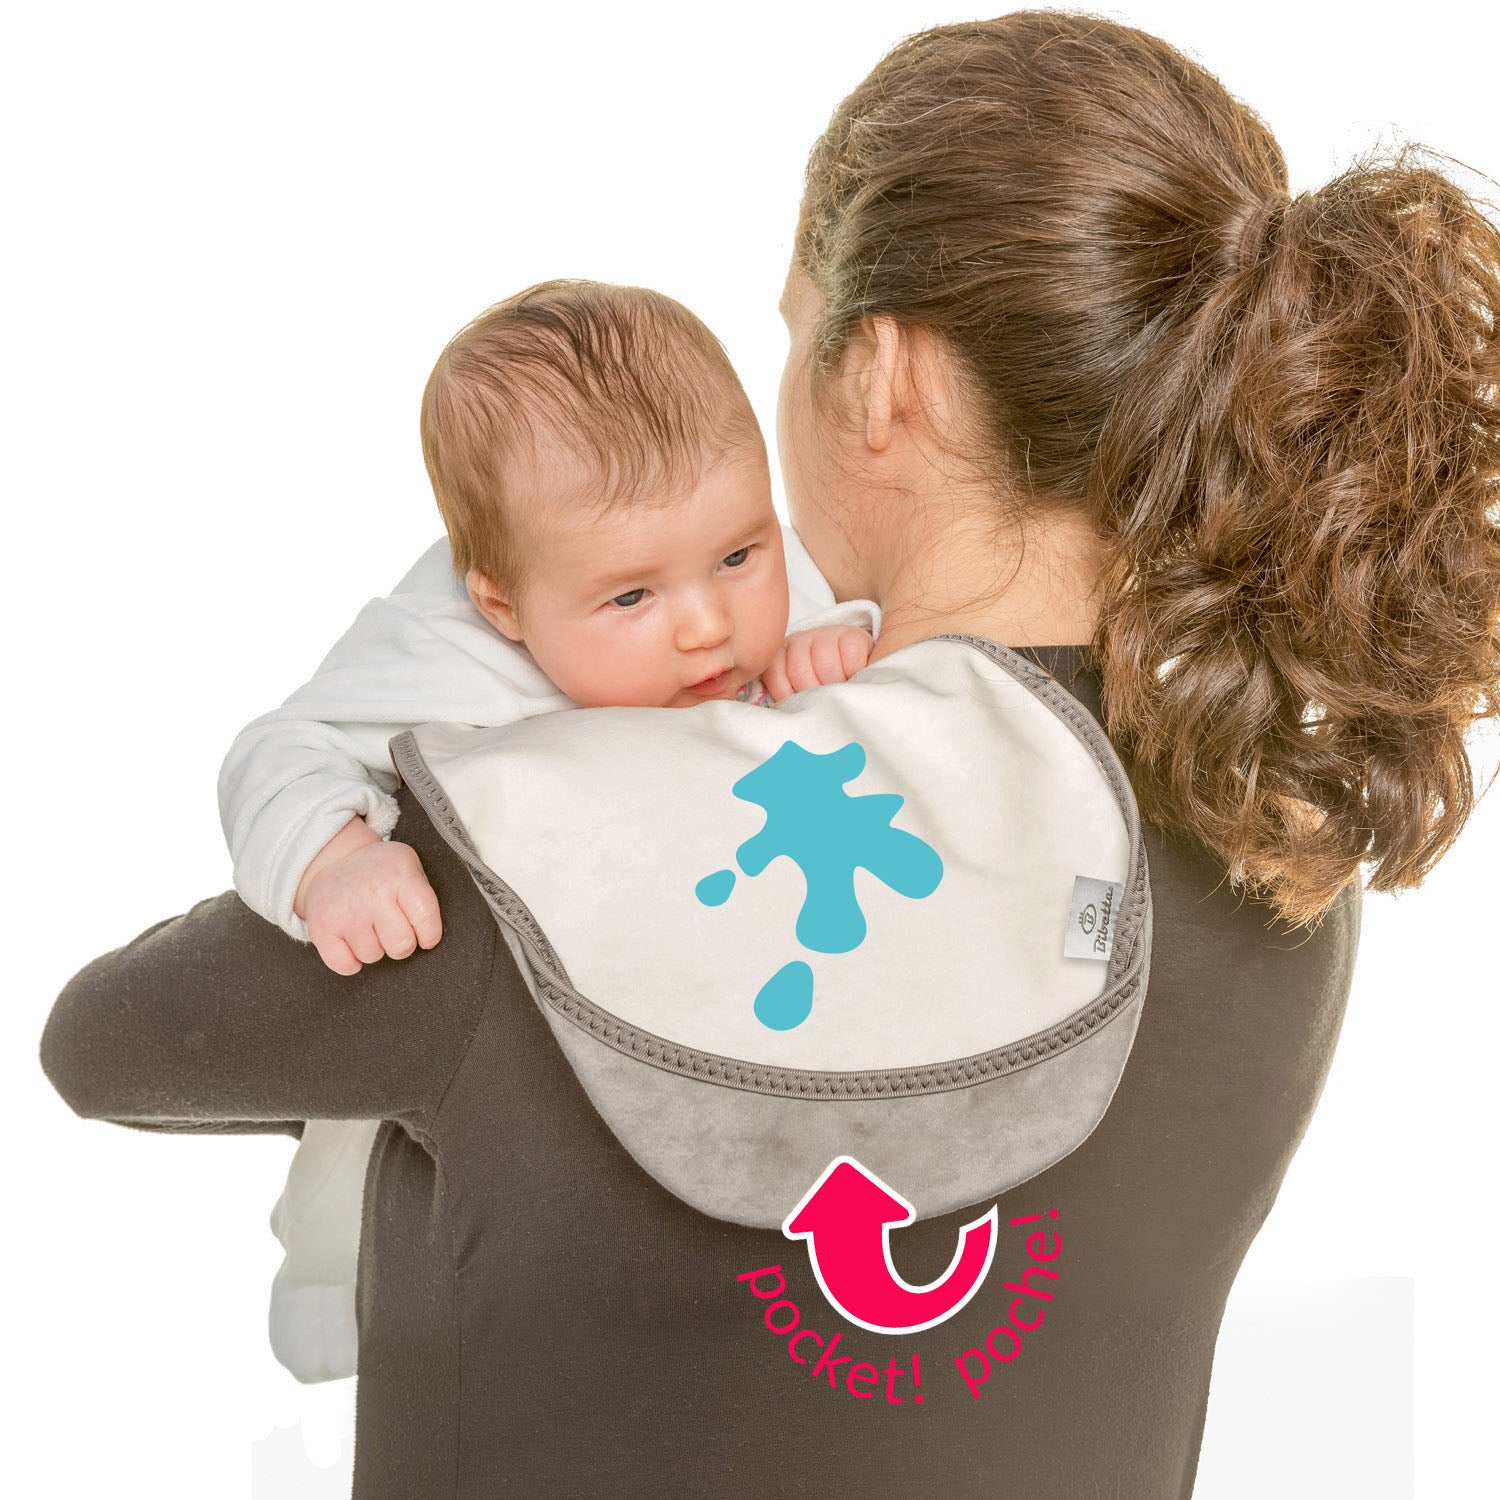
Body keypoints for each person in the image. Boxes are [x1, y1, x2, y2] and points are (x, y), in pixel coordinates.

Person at [39, 12, 1500, 1497]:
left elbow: (107, 1042)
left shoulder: (559, 850)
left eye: (794, 333)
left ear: (884, 381)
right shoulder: (1279, 851)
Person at [220, 277, 882, 1381]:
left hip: (677, 992)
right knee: (376, 1174)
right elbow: (276, 752)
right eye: (630, 599)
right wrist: (336, 859)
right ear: (504, 606)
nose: (709, 625)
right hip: (463, 1029)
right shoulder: (443, 651)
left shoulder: (766, 584)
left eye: (738, 556)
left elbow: (839, 617)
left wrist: (830, 644)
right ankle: (336, 1288)